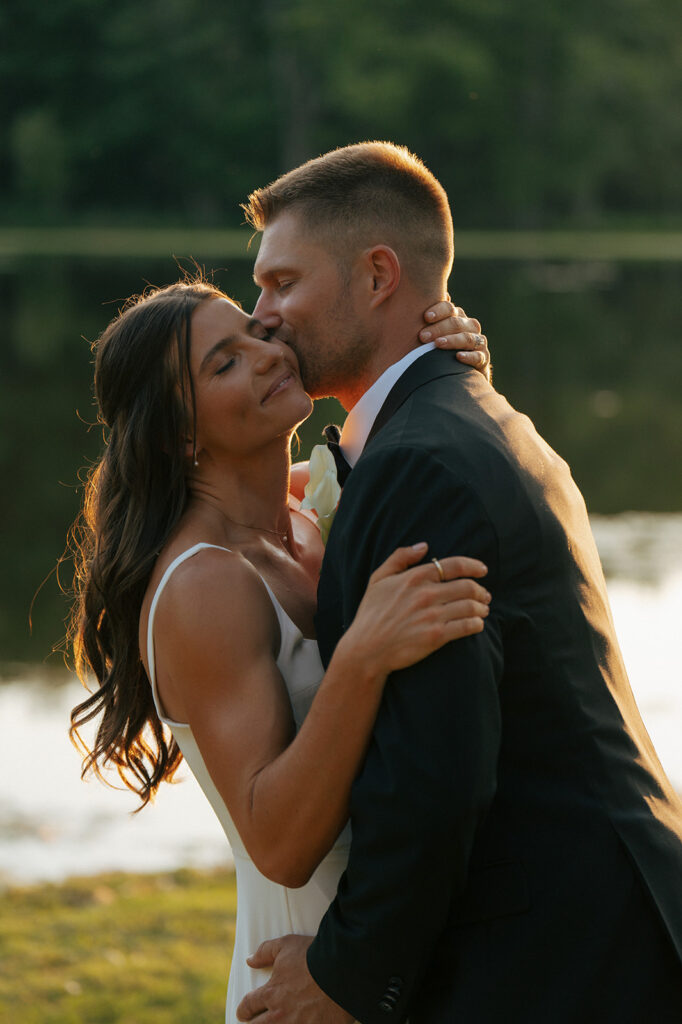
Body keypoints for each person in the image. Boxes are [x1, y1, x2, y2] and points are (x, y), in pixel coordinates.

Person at [235, 142, 682, 1024]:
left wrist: (348, 974)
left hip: (566, 956)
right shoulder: (462, 416)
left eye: (282, 283)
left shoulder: (421, 464)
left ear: (376, 276)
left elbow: (437, 769)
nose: (262, 317)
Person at [68, 278, 493, 1022]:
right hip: (302, 974)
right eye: (224, 364)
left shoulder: (304, 515)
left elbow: (410, 454)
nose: (266, 357)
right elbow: (279, 842)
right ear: (180, 434)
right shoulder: (206, 586)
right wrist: (361, 658)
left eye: (255, 336)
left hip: (386, 949)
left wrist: (454, 371)